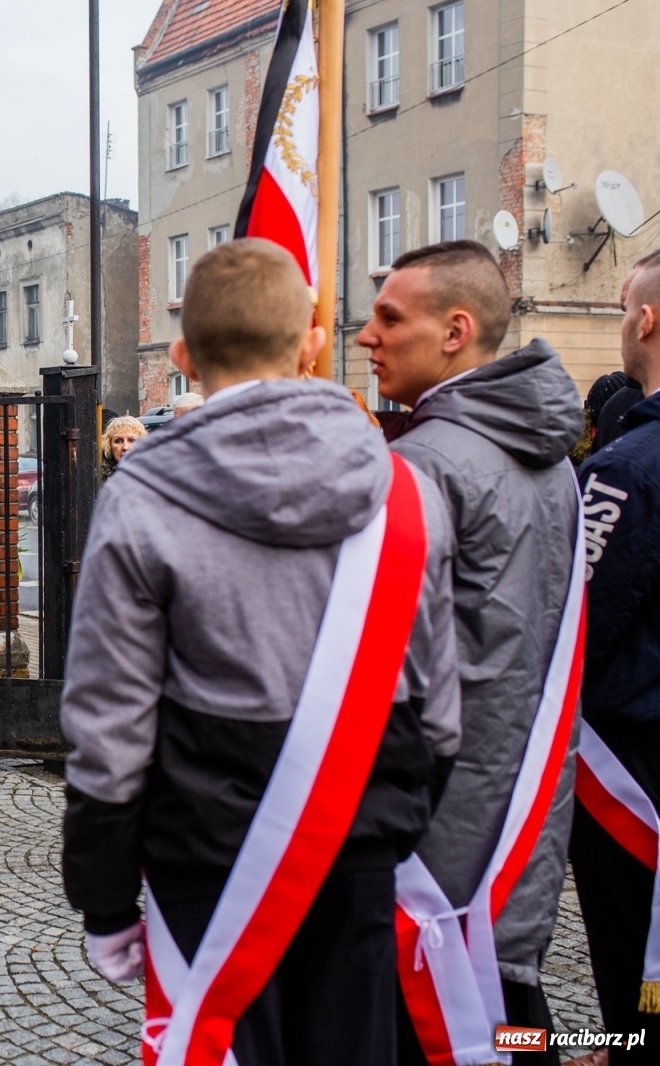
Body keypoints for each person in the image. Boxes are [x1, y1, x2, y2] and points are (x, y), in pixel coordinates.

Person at [62, 239, 460, 1066]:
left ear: (181, 356)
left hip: (202, 856)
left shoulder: (140, 497)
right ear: (312, 342)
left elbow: (109, 722)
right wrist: (393, 821)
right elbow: (439, 703)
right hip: (359, 844)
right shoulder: (407, 490)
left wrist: (103, 895)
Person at [356, 239, 584, 1065]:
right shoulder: (553, 460)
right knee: (510, 1022)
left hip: (434, 831)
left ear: (455, 332)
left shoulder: (422, 465)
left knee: (447, 1031)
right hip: (516, 810)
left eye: (390, 318)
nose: (366, 335)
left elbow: (383, 672)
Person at [569, 250, 660, 1063]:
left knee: (632, 930)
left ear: (647, 320)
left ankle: (628, 1044)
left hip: (629, 757)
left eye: (624, 306)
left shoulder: (625, 469)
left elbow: (580, 623)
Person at [99, 415, 147, 479]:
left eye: (132, 440)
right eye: (118, 441)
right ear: (109, 446)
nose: (125, 447)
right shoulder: (98, 477)